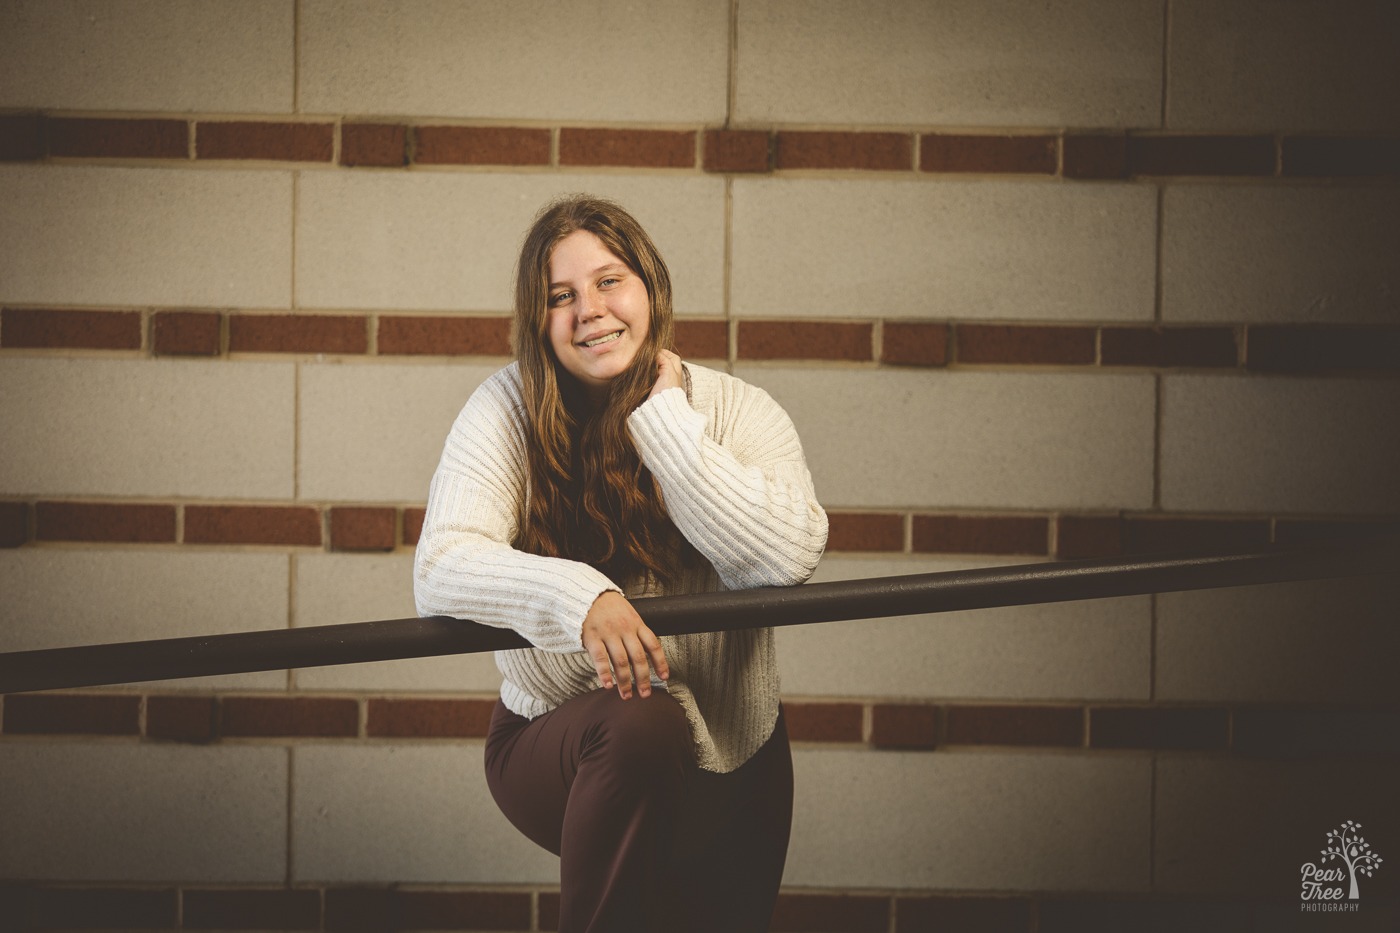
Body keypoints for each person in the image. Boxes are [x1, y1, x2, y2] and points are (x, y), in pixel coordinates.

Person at [414, 194, 828, 932]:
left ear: (650, 289)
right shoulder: (504, 406)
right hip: (563, 740)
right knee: (643, 720)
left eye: (610, 281)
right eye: (561, 296)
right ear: (538, 319)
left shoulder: (739, 409)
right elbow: (442, 565)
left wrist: (667, 426)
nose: (590, 311)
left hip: (739, 748)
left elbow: (788, 556)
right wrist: (583, 601)